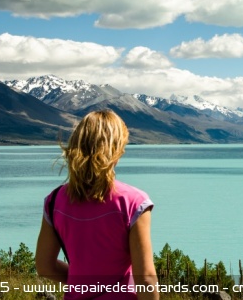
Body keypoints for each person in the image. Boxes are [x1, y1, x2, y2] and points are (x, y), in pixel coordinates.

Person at [35, 110, 159, 300]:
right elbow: (146, 279)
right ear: (115, 150)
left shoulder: (54, 201)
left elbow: (45, 266)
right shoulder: (133, 202)